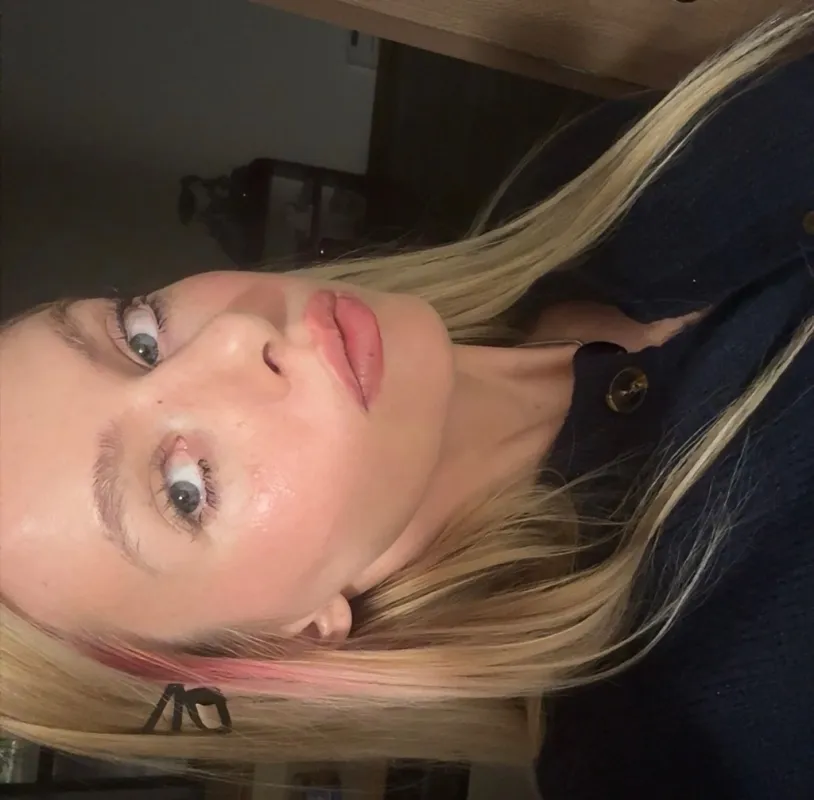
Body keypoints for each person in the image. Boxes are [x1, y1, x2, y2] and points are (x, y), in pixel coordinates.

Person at [1, 11, 812, 799]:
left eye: (138, 336)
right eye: (184, 490)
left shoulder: (571, 189)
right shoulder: (691, 750)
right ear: (286, 641)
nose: (236, 337)